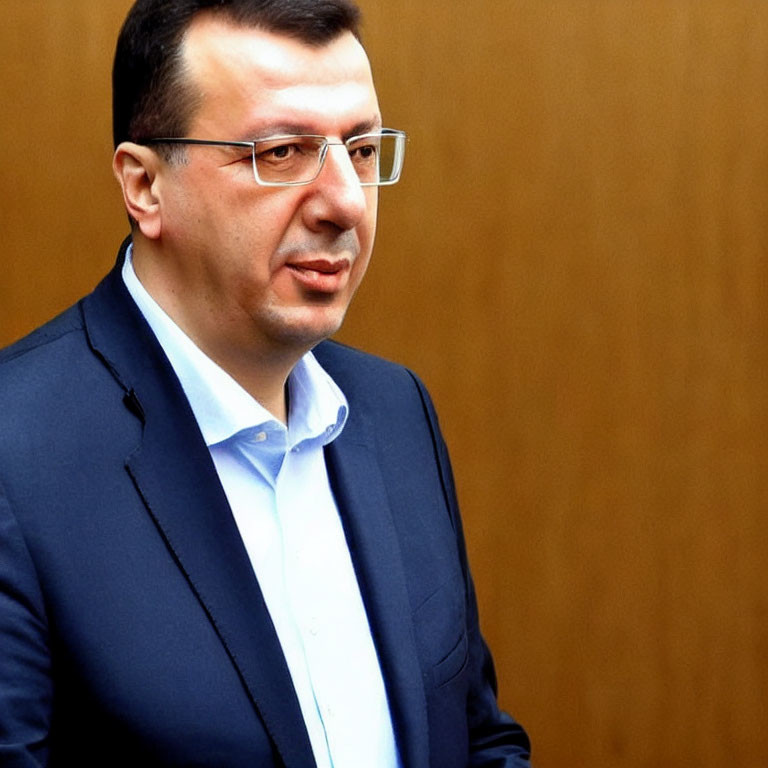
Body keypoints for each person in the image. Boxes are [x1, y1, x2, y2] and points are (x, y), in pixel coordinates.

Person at [0, 1, 532, 765]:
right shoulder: (17, 459)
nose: (346, 200)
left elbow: (477, 739)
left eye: (361, 148)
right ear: (145, 185)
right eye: (282, 152)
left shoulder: (395, 412)